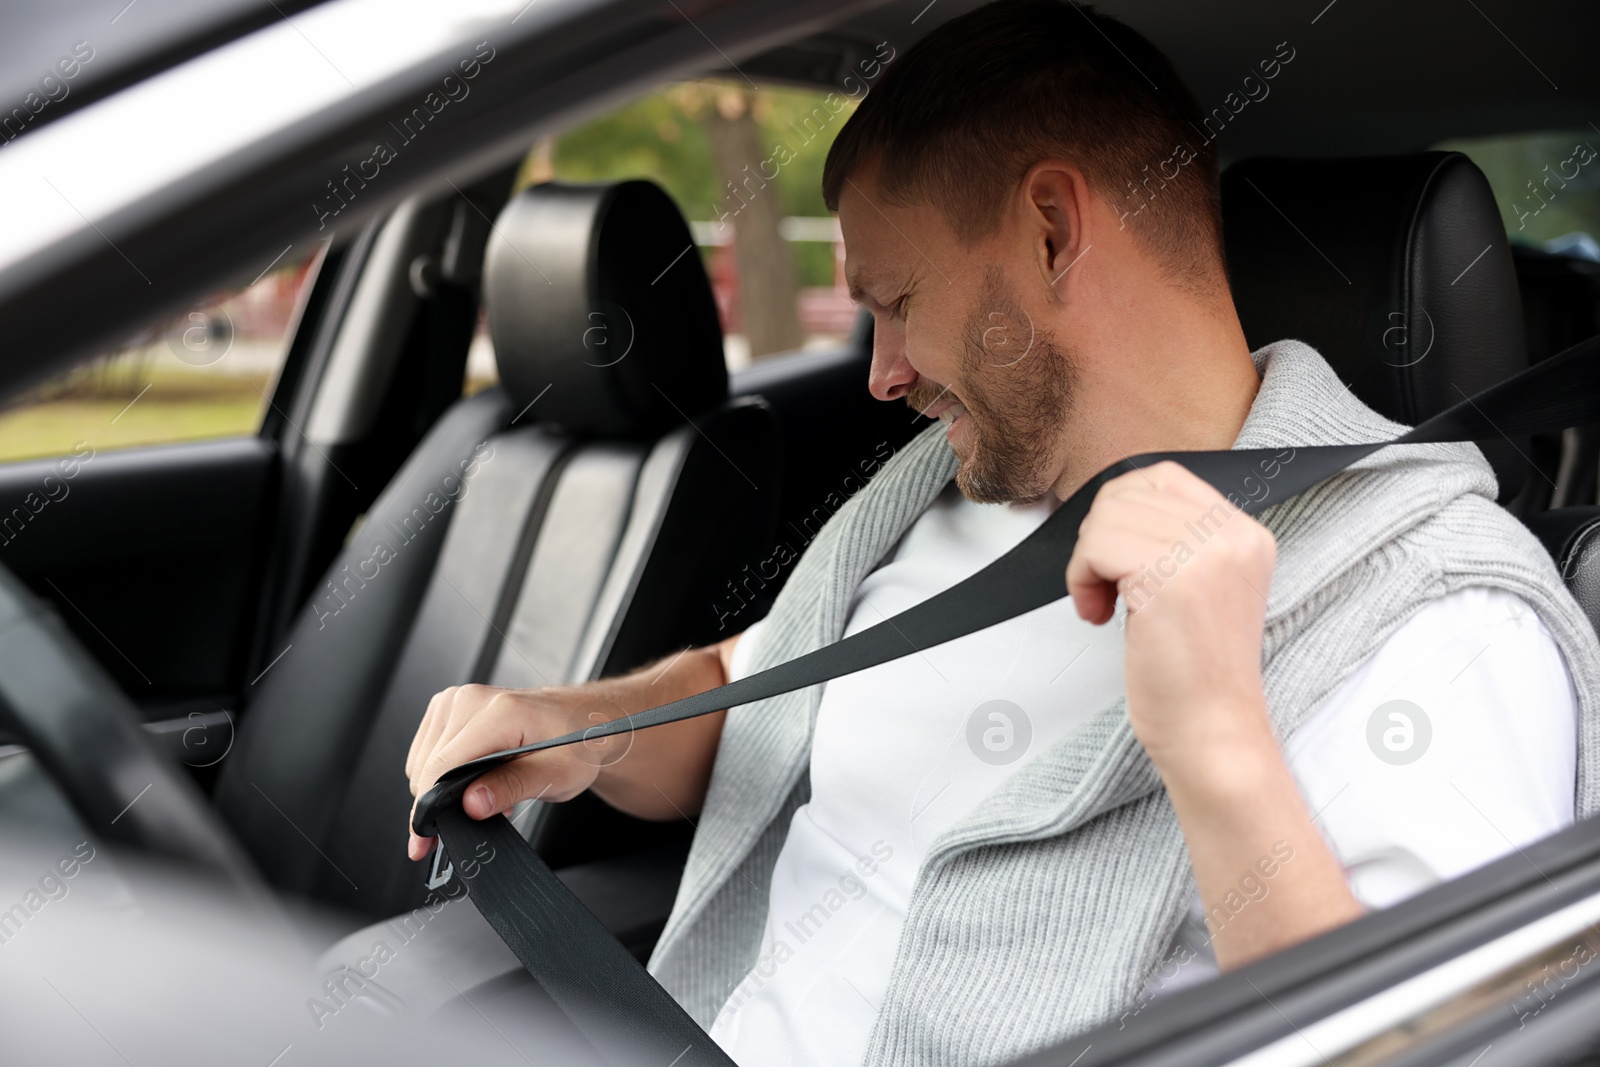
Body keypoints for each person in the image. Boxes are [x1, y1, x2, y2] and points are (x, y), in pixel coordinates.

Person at [405, 2, 1600, 1063]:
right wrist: (583, 729)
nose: (877, 374)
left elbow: (1437, 1041)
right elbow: (746, 689)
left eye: (897, 304)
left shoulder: (1437, 613)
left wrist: (1216, 742)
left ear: (1048, 232)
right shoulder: (931, 489)